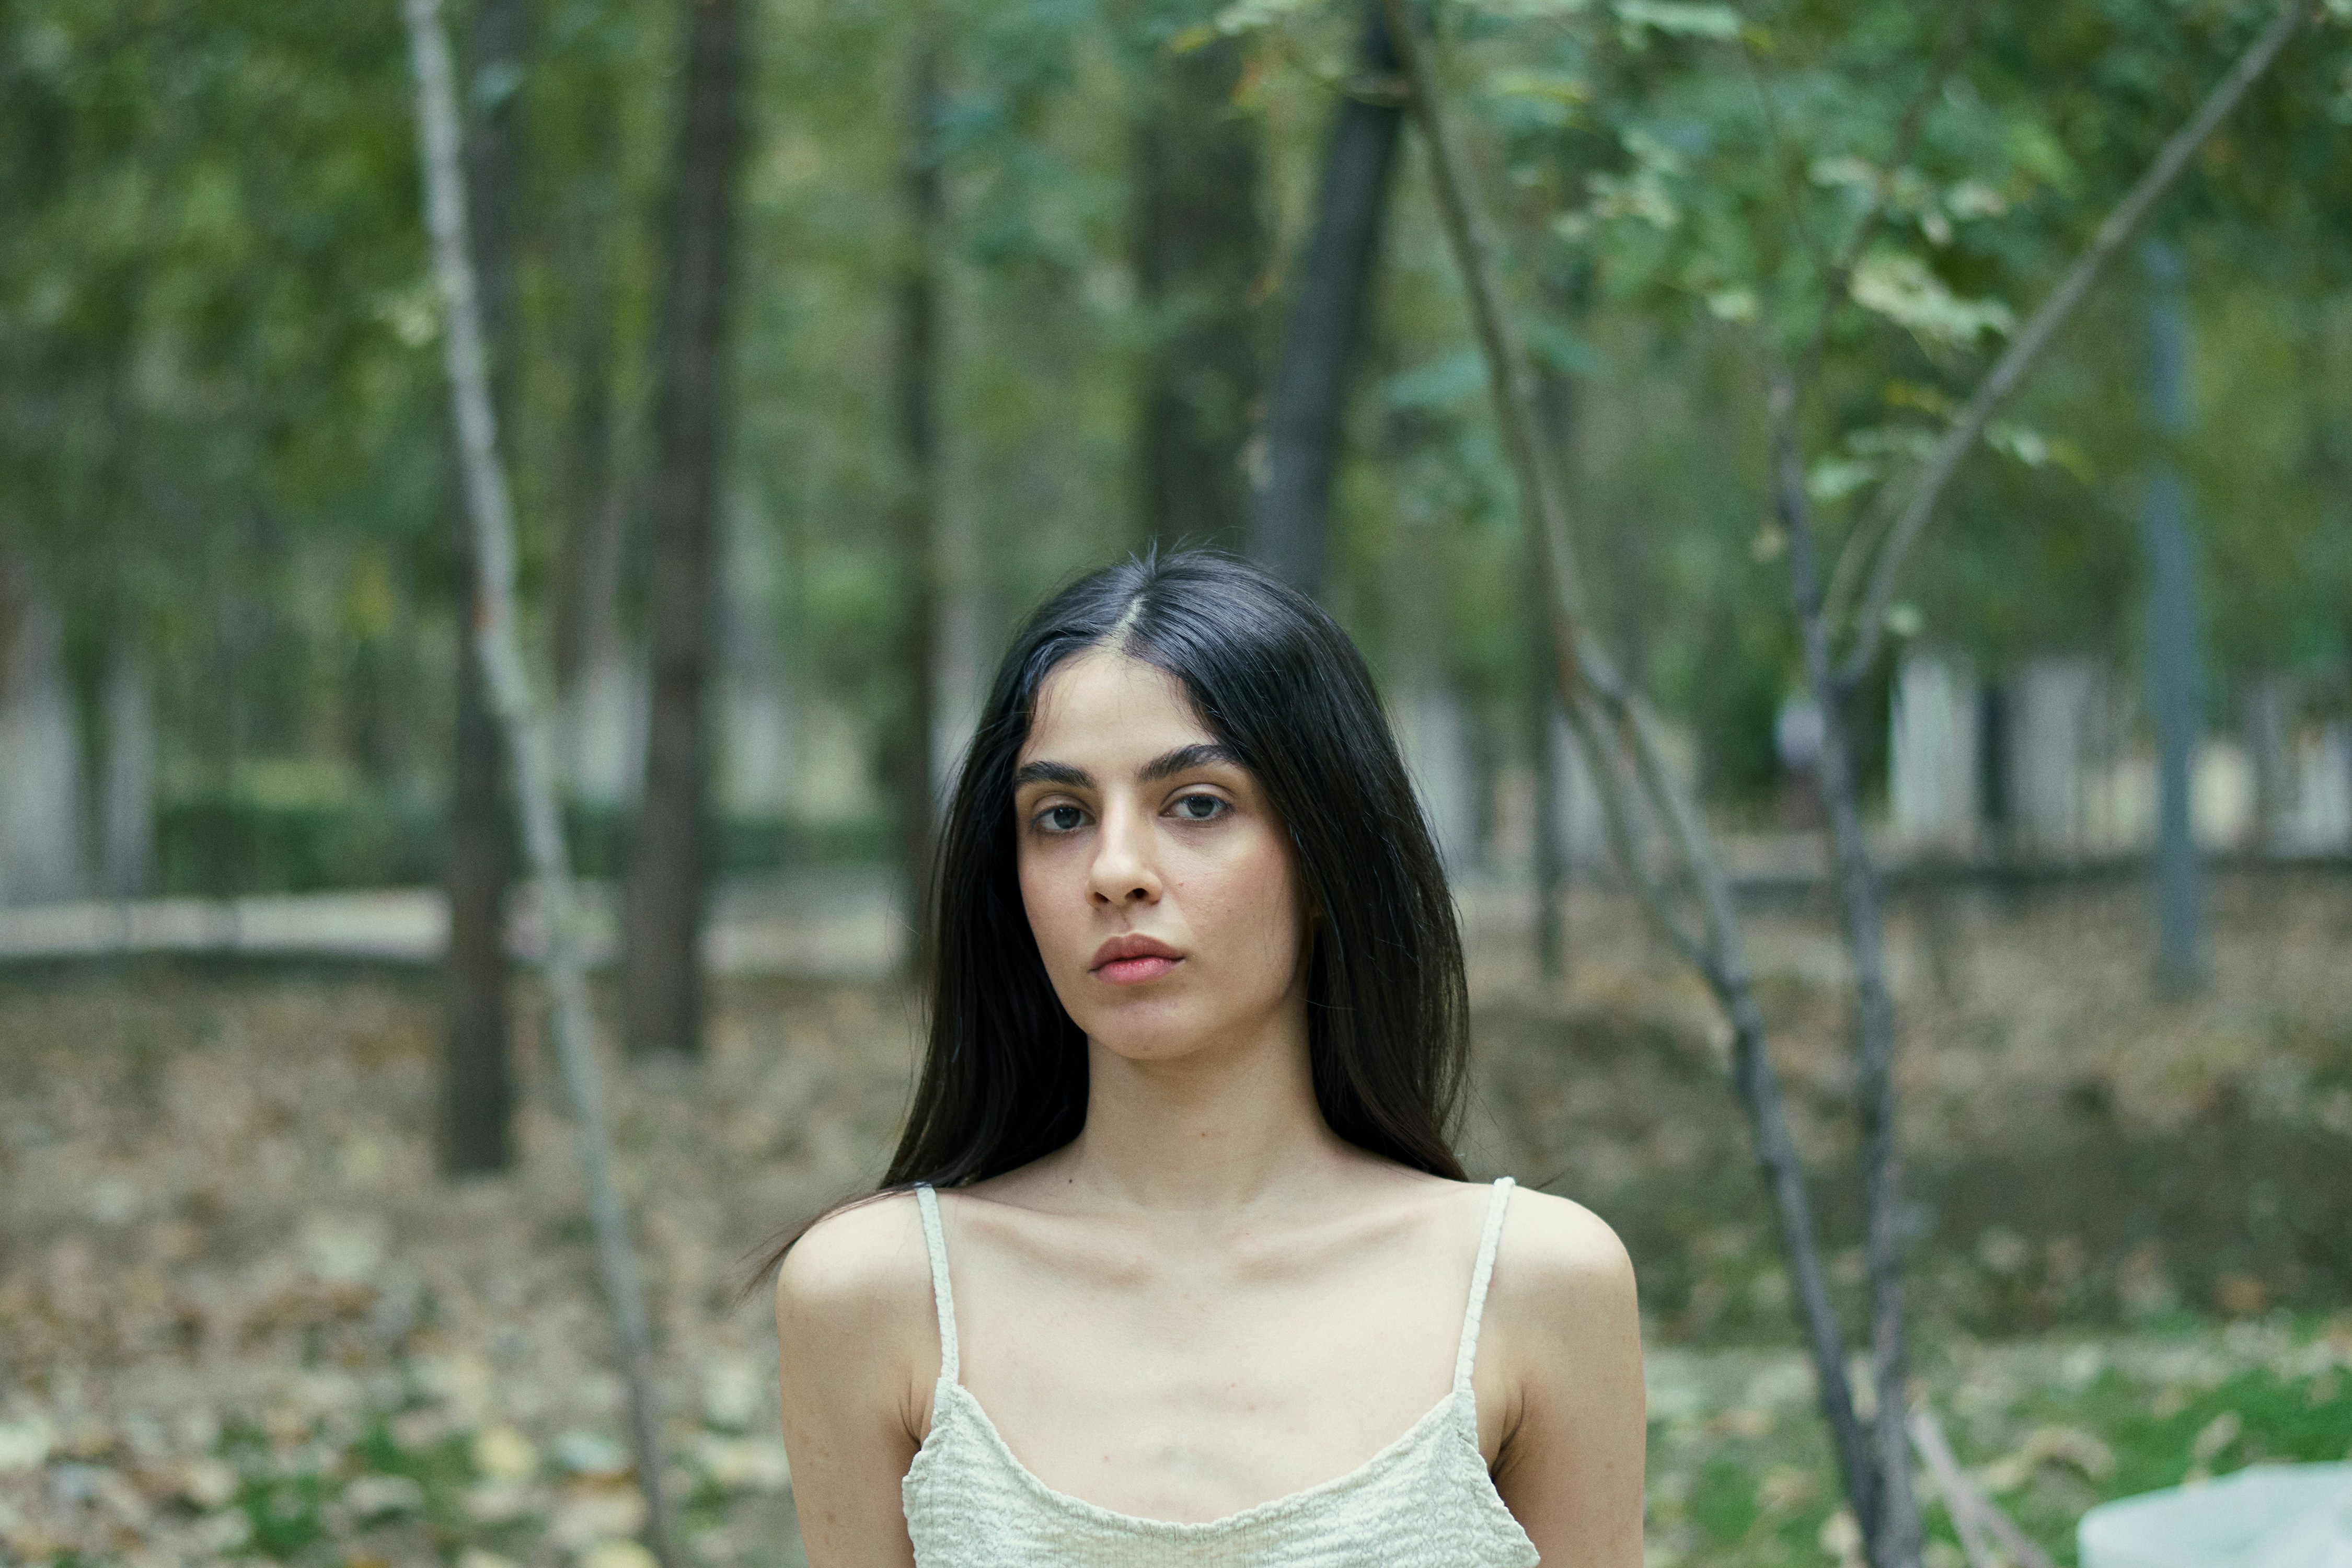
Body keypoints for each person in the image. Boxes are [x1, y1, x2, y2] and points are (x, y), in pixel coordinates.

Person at [770, 553, 1645, 1566]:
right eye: (1061, 816)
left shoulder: (1534, 1288)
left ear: (1326, 853)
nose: (1116, 872)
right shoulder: (876, 1299)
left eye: (1196, 803)